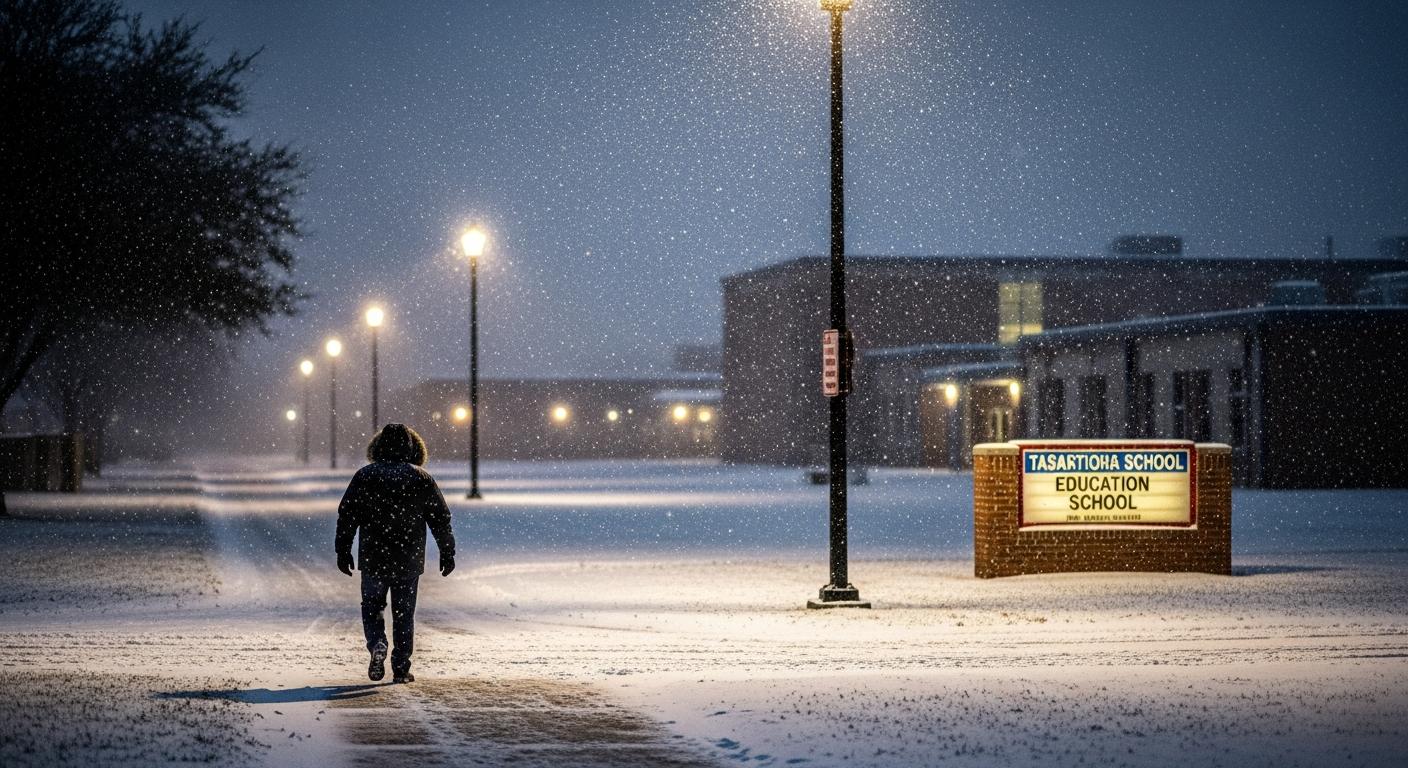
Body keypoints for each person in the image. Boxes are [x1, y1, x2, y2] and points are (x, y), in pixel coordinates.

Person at [335, 423, 455, 683]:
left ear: (378, 447)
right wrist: (447, 551)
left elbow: (347, 516)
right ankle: (401, 667)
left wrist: (343, 551)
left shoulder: (365, 476)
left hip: (374, 557)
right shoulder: (421, 478)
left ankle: (377, 643)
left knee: (372, 608)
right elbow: (440, 518)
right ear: (411, 448)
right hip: (408, 559)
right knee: (404, 614)